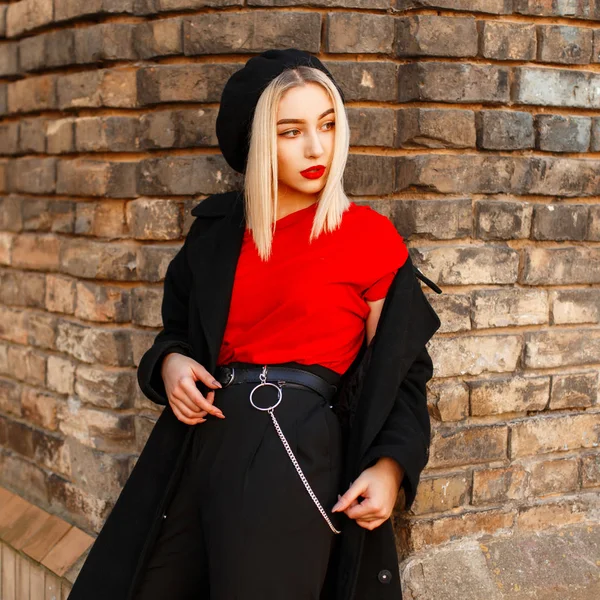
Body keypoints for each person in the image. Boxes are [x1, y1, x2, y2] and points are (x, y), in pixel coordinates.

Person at [67, 48, 441, 600]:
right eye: (291, 132)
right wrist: (171, 365)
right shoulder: (215, 235)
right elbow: (175, 333)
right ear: (258, 141)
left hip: (292, 446)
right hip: (198, 444)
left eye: (328, 124)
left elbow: (402, 375)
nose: (317, 147)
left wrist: (391, 466)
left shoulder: (368, 238)